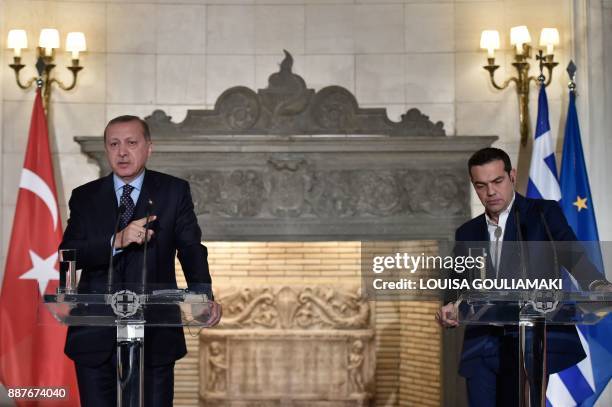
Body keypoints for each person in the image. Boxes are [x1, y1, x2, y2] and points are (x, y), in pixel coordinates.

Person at [60, 115, 221, 406]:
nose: (122, 152)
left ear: (149, 147)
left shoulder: (173, 192)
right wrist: (116, 241)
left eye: (131, 143)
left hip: (155, 334)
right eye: (114, 144)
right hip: (95, 336)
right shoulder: (85, 197)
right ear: (107, 149)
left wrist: (202, 294)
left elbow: (190, 248)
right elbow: (68, 253)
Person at [435, 147, 609, 406]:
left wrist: (596, 284)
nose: (491, 192)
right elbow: (456, 282)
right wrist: (449, 306)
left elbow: (572, 255)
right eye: (481, 185)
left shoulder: (542, 214)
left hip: (528, 342)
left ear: (512, 176)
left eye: (497, 181)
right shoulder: (468, 231)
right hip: (481, 347)